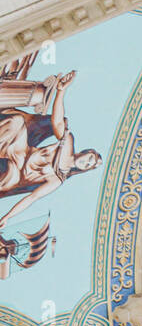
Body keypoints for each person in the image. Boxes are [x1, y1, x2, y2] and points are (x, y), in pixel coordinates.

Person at [0, 70, 101, 229]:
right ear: (84, 151)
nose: (86, 162)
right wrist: (61, 91)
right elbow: (57, 121)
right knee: (17, 121)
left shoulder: (57, 179)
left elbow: (32, 198)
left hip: (17, 172)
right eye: (90, 157)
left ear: (84, 169)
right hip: (22, 152)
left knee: (11, 176)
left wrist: (8, 216)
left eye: (89, 165)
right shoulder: (67, 142)